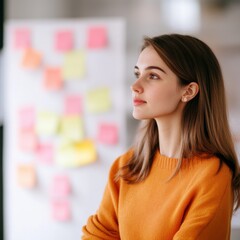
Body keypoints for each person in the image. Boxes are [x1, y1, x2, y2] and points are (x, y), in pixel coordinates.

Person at [82, 33, 240, 240]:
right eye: (137, 73)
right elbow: (98, 235)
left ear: (189, 91)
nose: (135, 86)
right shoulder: (127, 165)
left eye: (153, 76)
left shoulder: (211, 175)